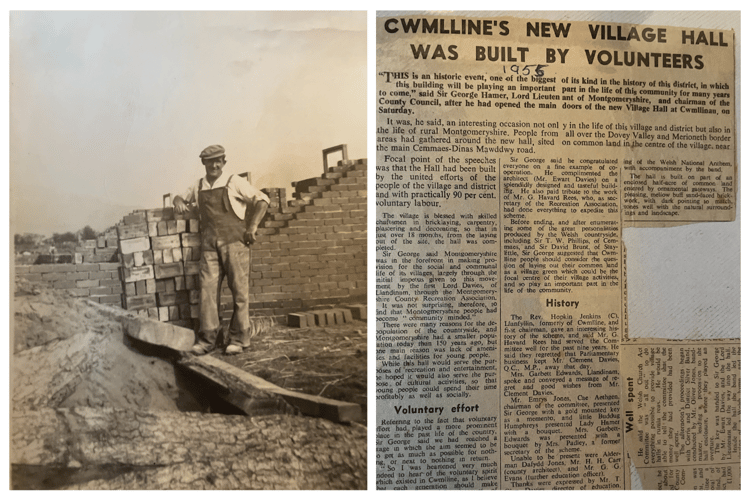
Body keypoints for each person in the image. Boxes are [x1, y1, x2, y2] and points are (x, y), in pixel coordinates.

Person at [174, 145, 269, 355]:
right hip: (209, 247)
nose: (214, 165)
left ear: (224, 162)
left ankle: (238, 338)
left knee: (239, 292)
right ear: (204, 164)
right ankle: (208, 340)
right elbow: (179, 197)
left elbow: (262, 200)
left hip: (235, 244)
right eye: (210, 161)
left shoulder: (234, 181)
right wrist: (179, 201)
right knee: (207, 292)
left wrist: (252, 227)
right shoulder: (198, 185)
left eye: (218, 161)